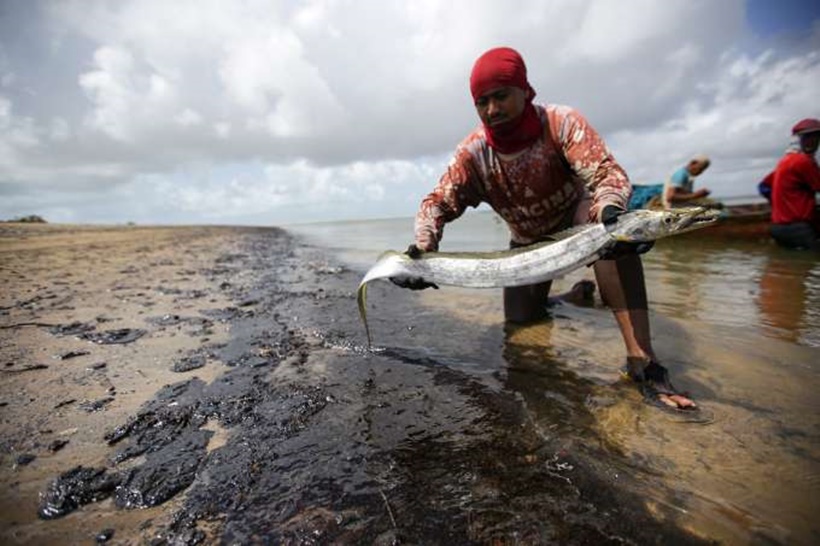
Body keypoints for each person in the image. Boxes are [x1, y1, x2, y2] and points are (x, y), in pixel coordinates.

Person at [392, 47, 696, 411]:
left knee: (615, 236)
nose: (492, 110)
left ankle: (642, 362)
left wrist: (612, 208)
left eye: (501, 96)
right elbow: (437, 203)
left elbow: (606, 174)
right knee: (522, 324)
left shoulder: (561, 123)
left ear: (525, 89)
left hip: (582, 224)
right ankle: (573, 298)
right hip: (527, 246)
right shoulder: (473, 154)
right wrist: (422, 249)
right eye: (482, 102)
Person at [764, 118, 820, 250]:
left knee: (792, 269)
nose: (815, 142)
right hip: (798, 228)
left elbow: (765, 186)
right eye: (809, 137)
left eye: (817, 137)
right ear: (799, 139)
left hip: (778, 227)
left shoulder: (785, 161)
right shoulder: (803, 161)